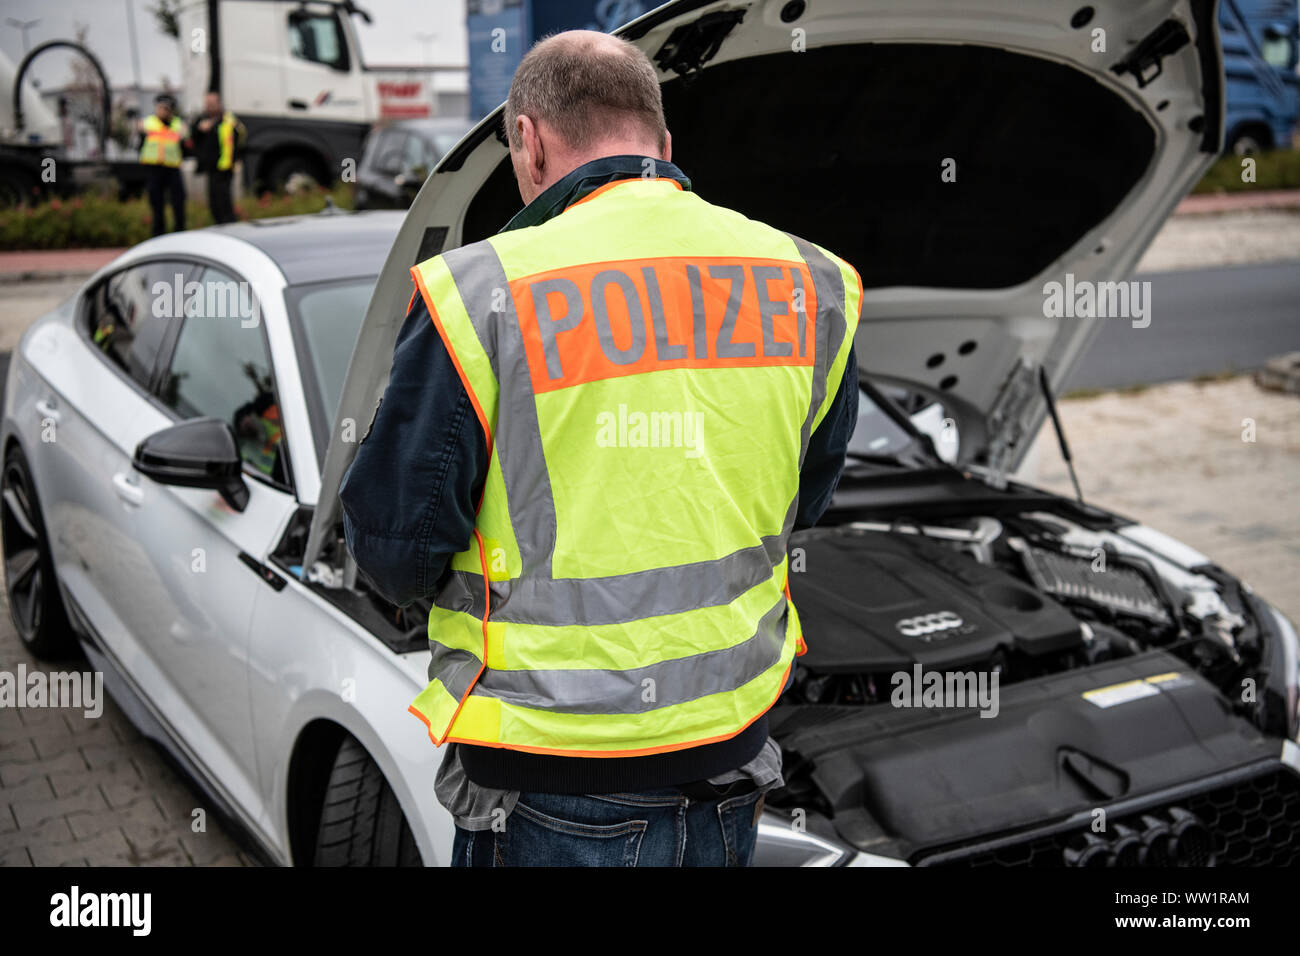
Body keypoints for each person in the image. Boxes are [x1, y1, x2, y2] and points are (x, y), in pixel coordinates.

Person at [339, 30, 861, 867]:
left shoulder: (483, 292)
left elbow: (397, 549)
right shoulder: (807, 279)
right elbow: (813, 490)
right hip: (732, 756)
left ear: (529, 140)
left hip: (552, 776)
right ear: (662, 145)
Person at [138, 93, 189, 235]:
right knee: (156, 205)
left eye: (166, 109)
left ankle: (180, 233)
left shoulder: (179, 125)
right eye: (160, 108)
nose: (163, 111)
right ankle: (158, 234)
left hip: (173, 168)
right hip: (154, 168)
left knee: (178, 202)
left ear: (171, 110)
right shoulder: (148, 123)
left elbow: (187, 143)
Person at [191, 91, 245, 224]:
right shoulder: (201, 120)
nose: (209, 106)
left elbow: (240, 137)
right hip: (210, 167)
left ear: (219, 104)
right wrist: (199, 129)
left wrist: (236, 158)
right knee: (213, 202)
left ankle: (230, 227)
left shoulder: (228, 119)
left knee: (224, 201)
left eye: (212, 103)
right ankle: (219, 226)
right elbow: (192, 138)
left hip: (225, 167)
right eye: (207, 103)